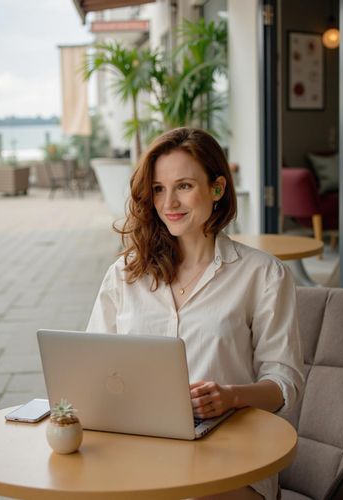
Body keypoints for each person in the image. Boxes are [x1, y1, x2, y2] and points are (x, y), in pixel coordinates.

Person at [87, 127, 304, 500]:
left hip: (232, 462)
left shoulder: (264, 274)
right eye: (158, 188)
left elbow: (286, 384)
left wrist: (231, 396)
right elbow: (91, 367)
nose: (169, 201)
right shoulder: (125, 275)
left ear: (217, 189)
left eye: (184, 185)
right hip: (141, 454)